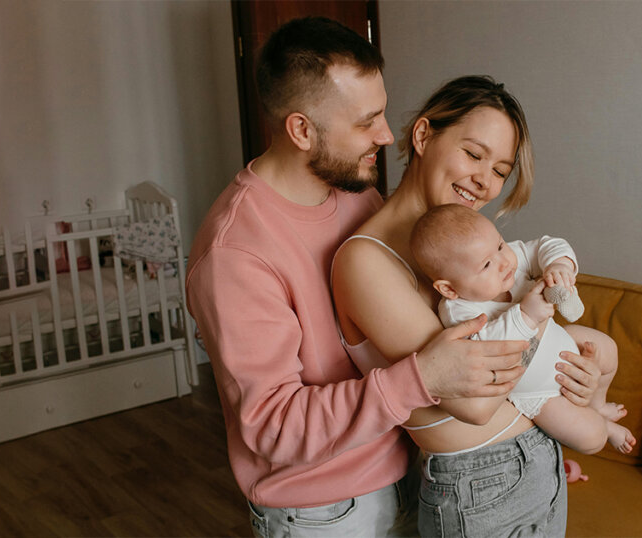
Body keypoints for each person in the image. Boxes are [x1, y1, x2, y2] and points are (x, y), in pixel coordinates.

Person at [185, 17, 597, 538]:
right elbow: (273, 425)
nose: (386, 135)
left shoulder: (356, 193)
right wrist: (425, 378)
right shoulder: (234, 253)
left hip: (416, 474)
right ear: (301, 130)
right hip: (329, 510)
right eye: (366, 121)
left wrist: (519, 450)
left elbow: (426, 346)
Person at [331, 75, 609, 537]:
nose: (485, 181)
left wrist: (573, 373)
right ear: (423, 136)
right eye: (474, 154)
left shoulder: (465, 250)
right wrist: (542, 332)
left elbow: (512, 347)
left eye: (501, 170)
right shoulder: (366, 260)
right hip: (481, 485)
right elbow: (473, 403)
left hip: (536, 458)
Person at [411, 203, 637, 455]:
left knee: (606, 347)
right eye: (486, 265)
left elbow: (546, 245)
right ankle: (604, 426)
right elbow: (485, 353)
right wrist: (526, 316)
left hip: (560, 341)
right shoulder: (459, 311)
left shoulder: (511, 261)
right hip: (538, 393)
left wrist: (559, 266)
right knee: (591, 439)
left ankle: (598, 404)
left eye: (499, 245)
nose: (504, 262)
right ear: (449, 289)